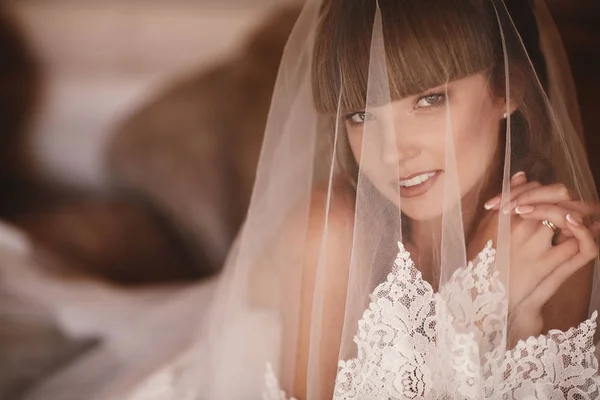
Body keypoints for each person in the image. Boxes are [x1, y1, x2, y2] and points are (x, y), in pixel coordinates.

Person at [22, 0, 600, 399]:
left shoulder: (551, 239)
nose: (393, 153)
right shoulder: (330, 233)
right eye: (361, 114)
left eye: (429, 99)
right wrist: (480, 320)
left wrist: (521, 318)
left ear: (509, 92)